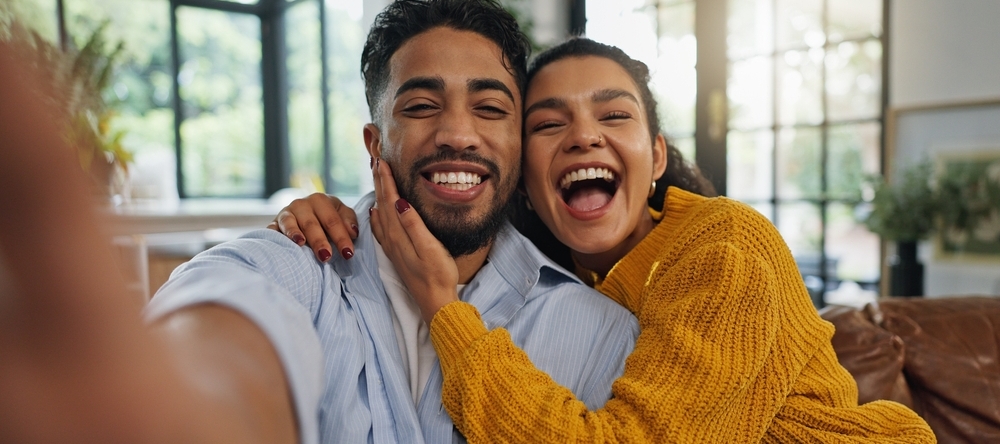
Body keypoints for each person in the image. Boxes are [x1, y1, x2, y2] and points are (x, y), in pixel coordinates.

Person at [0, 2, 639, 443]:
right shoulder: (298, 261)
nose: (456, 133)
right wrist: (195, 408)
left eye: (490, 107)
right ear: (373, 143)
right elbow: (231, 324)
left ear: (519, 140)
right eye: (420, 105)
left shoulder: (602, 333)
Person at [275, 39, 936, 442]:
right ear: (522, 180)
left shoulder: (723, 246)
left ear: (653, 156)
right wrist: (335, 214)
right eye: (548, 123)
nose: (584, 136)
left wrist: (448, 313)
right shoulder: (551, 276)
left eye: (613, 115)